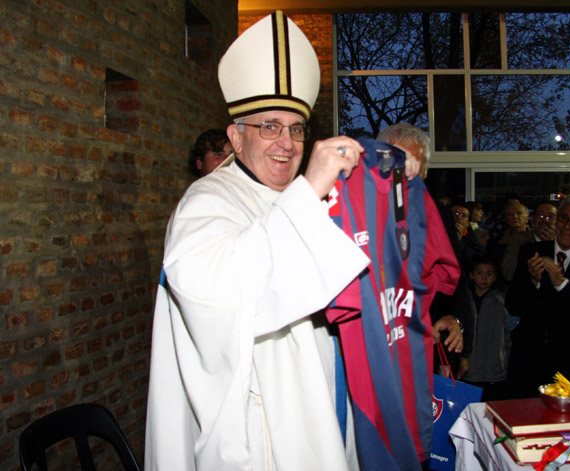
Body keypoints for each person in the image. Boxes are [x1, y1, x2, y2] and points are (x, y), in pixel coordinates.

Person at [145, 12, 370, 471]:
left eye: (295, 128)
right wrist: (309, 191)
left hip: (325, 404)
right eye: (269, 126)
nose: (285, 143)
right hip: (260, 433)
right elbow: (219, 292)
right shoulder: (206, 201)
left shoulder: (305, 198)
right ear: (235, 136)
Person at [505, 193, 570, 398]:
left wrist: (561, 284)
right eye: (563, 218)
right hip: (529, 361)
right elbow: (513, 305)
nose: (567, 226)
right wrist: (533, 280)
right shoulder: (531, 252)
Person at [376, 123, 463, 356]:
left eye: (416, 165)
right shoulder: (358, 211)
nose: (408, 172)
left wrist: (449, 317)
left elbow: (452, 278)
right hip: (372, 342)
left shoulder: (436, 214)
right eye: (399, 161)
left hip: (419, 346)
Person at [458, 253, 513, 401]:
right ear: (471, 275)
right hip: (467, 371)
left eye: (489, 274)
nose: (484, 278)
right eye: (479, 273)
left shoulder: (502, 301)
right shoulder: (463, 300)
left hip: (494, 372)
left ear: (495, 277)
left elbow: (511, 332)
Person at [501, 201, 557, 283]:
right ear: (533, 219)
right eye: (541, 215)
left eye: (550, 216)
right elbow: (508, 273)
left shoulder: (562, 242)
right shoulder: (518, 240)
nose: (545, 220)